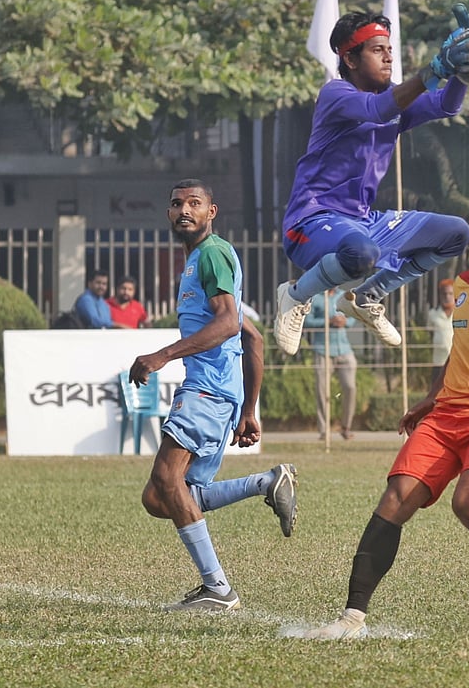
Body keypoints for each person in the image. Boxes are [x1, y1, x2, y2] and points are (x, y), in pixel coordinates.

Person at [305, 181, 469, 640]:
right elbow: (461, 349)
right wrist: (431, 396)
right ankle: (351, 619)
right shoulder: (464, 281)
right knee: (395, 500)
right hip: (447, 414)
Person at [272, 1, 469, 356]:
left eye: (390, 50)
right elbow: (377, 110)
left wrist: (461, 70)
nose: (388, 58)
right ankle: (295, 295)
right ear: (350, 59)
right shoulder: (336, 94)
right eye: (378, 50)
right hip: (312, 221)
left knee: (457, 233)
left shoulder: (392, 100)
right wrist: (434, 68)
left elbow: (446, 106)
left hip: (363, 222)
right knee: (362, 252)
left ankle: (368, 296)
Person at [129, 179, 298, 612]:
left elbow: (226, 324)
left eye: (194, 204)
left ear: (212, 212)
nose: (184, 210)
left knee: (168, 483)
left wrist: (162, 355)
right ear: (168, 213)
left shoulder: (213, 254)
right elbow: (253, 338)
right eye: (176, 204)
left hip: (206, 389)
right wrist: (248, 410)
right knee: (160, 497)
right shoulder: (199, 261)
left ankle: (217, 588)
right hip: (219, 394)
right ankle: (265, 482)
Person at [304, 289, 357, 441]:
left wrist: (344, 321)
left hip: (344, 349)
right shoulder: (315, 297)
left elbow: (353, 316)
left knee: (350, 387)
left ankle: (346, 427)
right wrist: (328, 321)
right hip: (322, 349)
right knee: (322, 391)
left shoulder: (344, 296)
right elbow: (308, 320)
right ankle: (324, 430)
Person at [425, 278, 456, 381]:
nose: (447, 297)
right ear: (440, 295)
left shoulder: (460, 313)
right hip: (439, 361)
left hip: (457, 362)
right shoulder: (433, 314)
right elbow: (430, 334)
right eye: (444, 294)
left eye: (450, 294)